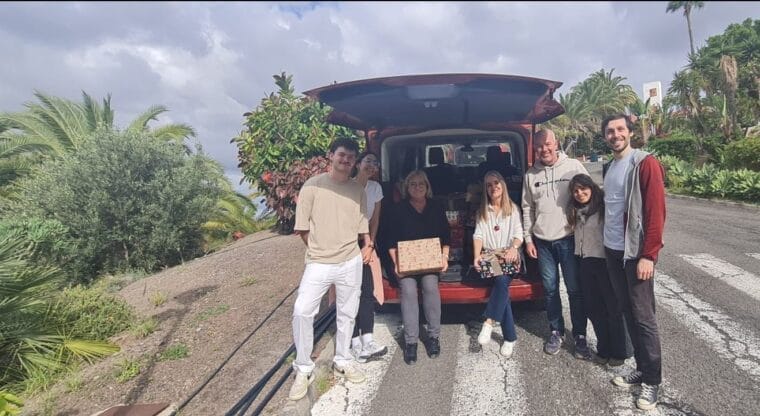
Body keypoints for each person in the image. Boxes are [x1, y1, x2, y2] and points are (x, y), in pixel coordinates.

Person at [288, 137, 373, 401]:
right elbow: (302, 229)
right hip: (319, 261)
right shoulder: (312, 186)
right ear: (331, 156)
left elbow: (362, 225)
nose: (345, 160)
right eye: (342, 155)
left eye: (350, 157)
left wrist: (367, 246)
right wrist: (320, 249)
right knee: (302, 310)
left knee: (347, 312)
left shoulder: (357, 190)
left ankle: (343, 359)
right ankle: (304, 368)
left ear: (354, 162)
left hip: (350, 260)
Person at [601, 114, 666, 411]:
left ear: (629, 132)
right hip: (613, 251)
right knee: (627, 311)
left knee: (644, 317)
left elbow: (656, 213)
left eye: (620, 129)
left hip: (635, 253)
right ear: (604, 136)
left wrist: (648, 255)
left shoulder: (644, 163)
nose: (615, 135)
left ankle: (653, 381)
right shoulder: (609, 166)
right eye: (610, 131)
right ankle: (641, 368)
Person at [521, 129, 591, 358]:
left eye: (548, 144)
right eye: (539, 146)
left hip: (569, 239)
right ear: (535, 148)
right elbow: (527, 209)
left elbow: (590, 195)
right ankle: (556, 331)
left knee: (575, 290)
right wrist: (528, 239)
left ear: (556, 143)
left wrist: (586, 227)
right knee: (550, 291)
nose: (544, 149)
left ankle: (580, 335)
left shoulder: (573, 167)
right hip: (542, 243)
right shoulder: (531, 175)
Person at [566, 173, 631, 366]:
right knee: (594, 309)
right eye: (576, 191)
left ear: (591, 187)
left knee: (613, 308)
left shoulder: (603, 208)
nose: (580, 193)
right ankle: (604, 348)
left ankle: (620, 351)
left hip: (604, 262)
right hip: (584, 262)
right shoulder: (574, 211)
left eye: (583, 188)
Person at [388, 170, 450, 365]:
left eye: (421, 183)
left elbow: (446, 236)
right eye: (413, 184)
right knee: (407, 289)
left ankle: (433, 337)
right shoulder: (398, 209)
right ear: (407, 188)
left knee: (430, 286)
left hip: (430, 262)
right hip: (406, 263)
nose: (417, 187)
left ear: (427, 186)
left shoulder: (436, 207)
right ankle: (411, 342)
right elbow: (390, 240)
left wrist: (444, 258)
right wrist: (397, 263)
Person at [473, 171, 523, 358]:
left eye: (496, 183)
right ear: (485, 189)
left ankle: (488, 322)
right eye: (489, 185)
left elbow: (518, 233)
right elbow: (478, 235)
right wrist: (476, 256)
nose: (493, 187)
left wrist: (514, 248)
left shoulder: (513, 209)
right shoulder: (482, 211)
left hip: (509, 255)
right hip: (491, 257)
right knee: (502, 286)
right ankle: (509, 337)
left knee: (501, 281)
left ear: (503, 184)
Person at [349, 151, 388, 363]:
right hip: (346, 244)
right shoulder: (347, 186)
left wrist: (370, 244)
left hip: (365, 243)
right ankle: (354, 342)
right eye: (368, 161)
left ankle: (368, 340)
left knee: (366, 290)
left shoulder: (375, 188)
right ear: (358, 164)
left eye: (375, 163)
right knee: (348, 293)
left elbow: (375, 220)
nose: (372, 165)